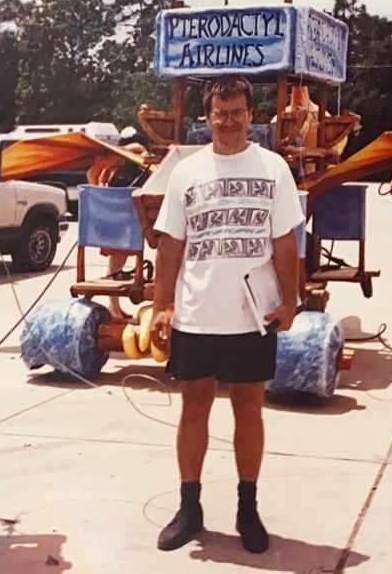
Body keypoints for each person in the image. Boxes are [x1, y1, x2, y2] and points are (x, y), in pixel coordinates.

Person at [148, 75, 304, 553]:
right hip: (196, 314)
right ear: (208, 117)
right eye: (221, 113)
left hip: (252, 318)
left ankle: (247, 508)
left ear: (251, 117)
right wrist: (161, 307)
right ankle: (189, 507)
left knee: (248, 407)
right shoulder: (185, 173)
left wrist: (291, 301)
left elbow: (285, 243)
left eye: (238, 113)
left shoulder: (274, 168)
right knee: (194, 405)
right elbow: (171, 246)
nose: (230, 122)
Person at [86, 134, 149, 320]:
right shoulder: (116, 162)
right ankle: (113, 306)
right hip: (115, 218)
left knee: (119, 261)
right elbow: (92, 174)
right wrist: (101, 198)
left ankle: (115, 306)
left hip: (124, 217)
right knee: (115, 262)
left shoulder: (123, 166)